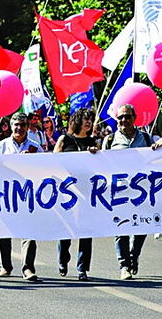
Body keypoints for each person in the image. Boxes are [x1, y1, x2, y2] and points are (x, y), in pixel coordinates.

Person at [0, 112, 41, 281]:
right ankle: (5, 266)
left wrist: (33, 161)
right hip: (6, 194)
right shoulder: (1, 146)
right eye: (16, 125)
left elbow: (45, 169)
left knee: (29, 231)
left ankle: (28, 268)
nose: (19, 128)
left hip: (27, 194)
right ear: (11, 126)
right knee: (4, 230)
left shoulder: (36, 147)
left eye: (23, 125)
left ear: (27, 127)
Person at [102, 103, 155, 280]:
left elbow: (159, 158)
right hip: (119, 191)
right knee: (121, 226)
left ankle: (134, 256)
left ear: (135, 118)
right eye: (120, 117)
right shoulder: (109, 140)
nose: (124, 120)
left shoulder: (146, 139)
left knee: (142, 225)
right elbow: (101, 164)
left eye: (127, 116)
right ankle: (124, 265)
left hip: (143, 191)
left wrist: (159, 147)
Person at [53, 110, 98, 280]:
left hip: (87, 191)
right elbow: (54, 160)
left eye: (91, 120)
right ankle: (63, 259)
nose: (89, 122)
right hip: (67, 192)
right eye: (86, 119)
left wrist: (96, 155)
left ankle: (82, 268)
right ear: (77, 120)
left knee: (86, 230)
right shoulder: (64, 140)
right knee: (67, 229)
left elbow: (101, 166)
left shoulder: (93, 142)